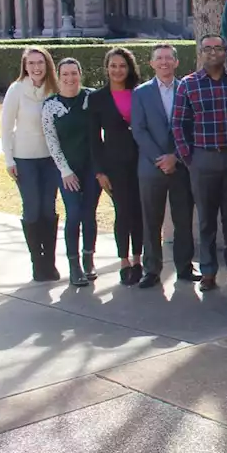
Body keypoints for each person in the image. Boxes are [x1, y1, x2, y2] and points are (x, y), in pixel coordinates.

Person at [172, 34, 227, 291]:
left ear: (225, 52)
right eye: (207, 48)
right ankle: (207, 271)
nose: (213, 52)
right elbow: (178, 124)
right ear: (200, 53)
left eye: (218, 48)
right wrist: (188, 158)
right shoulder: (188, 84)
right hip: (202, 158)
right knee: (206, 219)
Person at [131, 44, 197, 286]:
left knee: (183, 219)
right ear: (152, 63)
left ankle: (185, 267)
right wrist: (160, 159)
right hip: (151, 167)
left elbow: (192, 128)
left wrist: (176, 157)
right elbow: (139, 130)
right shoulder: (140, 93)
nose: (164, 62)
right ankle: (151, 270)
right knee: (151, 221)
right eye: (159, 58)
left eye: (169, 58)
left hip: (181, 166)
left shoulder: (187, 89)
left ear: (176, 62)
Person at [87, 47, 145, 286]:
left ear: (129, 68)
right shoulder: (97, 98)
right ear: (107, 68)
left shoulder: (140, 93)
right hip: (114, 164)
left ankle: (138, 258)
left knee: (139, 211)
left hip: (142, 160)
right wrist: (99, 171)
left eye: (122, 66)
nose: (117, 70)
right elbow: (93, 138)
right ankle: (124, 261)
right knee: (123, 212)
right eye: (113, 66)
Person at [3, 46, 61, 282]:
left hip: (50, 159)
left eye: (40, 63)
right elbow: (6, 127)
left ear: (47, 65)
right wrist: (8, 159)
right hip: (24, 159)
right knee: (33, 208)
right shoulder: (16, 90)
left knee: (49, 209)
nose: (36, 67)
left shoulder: (54, 90)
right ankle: (37, 261)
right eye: (31, 63)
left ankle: (50, 262)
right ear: (25, 67)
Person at [41, 58, 97, 287]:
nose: (70, 78)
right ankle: (74, 266)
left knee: (89, 213)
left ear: (80, 74)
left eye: (74, 73)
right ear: (59, 76)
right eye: (65, 74)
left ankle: (88, 259)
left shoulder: (91, 98)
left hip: (92, 167)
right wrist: (65, 170)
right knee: (73, 213)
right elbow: (51, 141)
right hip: (66, 170)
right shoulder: (50, 105)